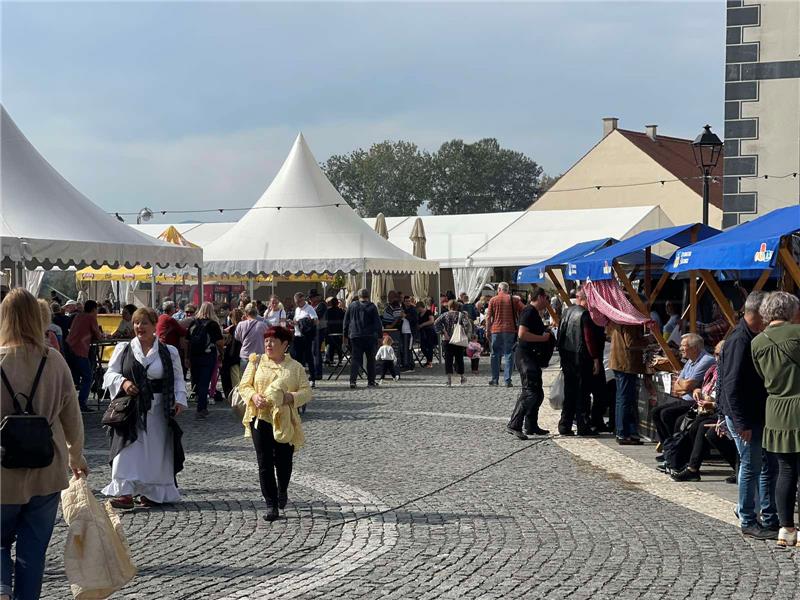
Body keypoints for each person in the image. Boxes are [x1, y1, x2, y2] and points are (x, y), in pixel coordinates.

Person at [1, 289, 89, 600]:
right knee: (33, 553)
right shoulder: (54, 361)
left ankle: (1, 586)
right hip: (46, 469)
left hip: (3, 474)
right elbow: (71, 415)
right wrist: (76, 455)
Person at [101, 307, 187, 509]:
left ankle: (152, 493)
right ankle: (125, 493)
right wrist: (123, 382)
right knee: (129, 449)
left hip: (159, 407)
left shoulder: (168, 351)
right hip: (132, 408)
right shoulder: (124, 349)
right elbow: (109, 374)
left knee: (156, 451)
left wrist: (179, 400)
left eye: (144, 323)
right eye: (136, 323)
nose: (139, 327)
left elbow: (178, 378)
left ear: (154, 325)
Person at [239, 326, 311, 522]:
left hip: (285, 420)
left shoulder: (295, 367)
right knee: (264, 462)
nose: (268, 345)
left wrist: (289, 397)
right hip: (260, 417)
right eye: (266, 341)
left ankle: (282, 490)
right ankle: (270, 503)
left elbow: (307, 392)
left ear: (285, 344)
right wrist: (253, 396)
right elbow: (243, 386)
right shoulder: (256, 362)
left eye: (273, 341)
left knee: (283, 460)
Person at [751, 291, 800, 547]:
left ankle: (786, 529)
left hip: (776, 409)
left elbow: (761, 376)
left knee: (786, 471)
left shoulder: (757, 342)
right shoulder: (797, 334)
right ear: (791, 310)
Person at [668, 341, 732, 481]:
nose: (715, 357)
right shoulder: (714, 370)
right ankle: (677, 459)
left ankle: (692, 468)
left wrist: (713, 403)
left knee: (702, 427)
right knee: (684, 421)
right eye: (715, 353)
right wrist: (698, 390)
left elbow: (728, 398)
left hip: (724, 412)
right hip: (708, 408)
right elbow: (683, 385)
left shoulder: (728, 371)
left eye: (718, 354)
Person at [651, 333, 716, 447]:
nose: (680, 348)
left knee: (666, 414)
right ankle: (668, 447)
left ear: (694, 348)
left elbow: (686, 385)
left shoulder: (706, 360)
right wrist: (685, 385)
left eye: (683, 346)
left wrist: (685, 385)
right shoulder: (690, 361)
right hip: (684, 398)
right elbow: (677, 386)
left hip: (695, 402)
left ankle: (673, 448)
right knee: (656, 412)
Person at [506, 286, 552, 439]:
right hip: (524, 356)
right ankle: (514, 424)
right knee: (530, 391)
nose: (548, 301)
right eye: (546, 298)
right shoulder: (528, 311)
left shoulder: (534, 313)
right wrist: (543, 338)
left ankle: (531, 425)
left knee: (538, 393)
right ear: (539, 297)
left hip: (531, 356)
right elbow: (522, 334)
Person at [556, 289, 599, 436]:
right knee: (582, 393)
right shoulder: (584, 314)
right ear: (584, 299)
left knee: (569, 393)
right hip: (581, 359)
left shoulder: (566, 312)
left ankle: (564, 425)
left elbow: (560, 335)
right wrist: (595, 359)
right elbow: (588, 339)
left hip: (567, 357)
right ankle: (583, 425)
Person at [608, 322, 648, 445]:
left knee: (623, 399)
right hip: (626, 364)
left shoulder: (616, 319)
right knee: (625, 399)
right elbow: (631, 343)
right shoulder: (629, 322)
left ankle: (627, 432)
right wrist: (646, 341)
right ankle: (623, 433)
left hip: (620, 362)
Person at [65, 299, 103, 412]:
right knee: (88, 376)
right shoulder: (91, 318)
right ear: (94, 309)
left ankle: (69, 404)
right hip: (80, 350)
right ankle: (81, 403)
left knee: (72, 378)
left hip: (69, 348)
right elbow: (98, 336)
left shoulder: (78, 316)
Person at [187, 302, 224, 419]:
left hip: (194, 356)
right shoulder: (213, 325)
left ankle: (199, 402)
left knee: (197, 381)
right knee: (204, 382)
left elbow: (187, 341)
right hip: (208, 356)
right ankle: (201, 408)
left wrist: (186, 357)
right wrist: (222, 353)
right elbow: (219, 342)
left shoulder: (193, 323)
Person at [342, 288, 383, 389]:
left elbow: (346, 322)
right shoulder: (372, 306)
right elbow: (378, 323)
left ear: (359, 296)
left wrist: (345, 336)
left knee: (355, 359)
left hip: (355, 335)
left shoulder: (352, 306)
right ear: (368, 296)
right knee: (371, 360)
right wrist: (380, 336)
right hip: (370, 336)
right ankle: (371, 381)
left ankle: (353, 381)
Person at [486, 282, 525, 387]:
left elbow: (488, 317)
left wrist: (487, 331)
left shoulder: (493, 300)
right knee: (509, 354)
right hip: (510, 330)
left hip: (495, 330)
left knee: (494, 354)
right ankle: (507, 380)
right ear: (507, 290)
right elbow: (525, 310)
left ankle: (495, 380)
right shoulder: (514, 300)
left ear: (499, 289)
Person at [434, 299, 472, 386]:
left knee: (448, 359)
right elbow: (467, 325)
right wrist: (465, 333)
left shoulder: (444, 315)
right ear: (457, 307)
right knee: (459, 359)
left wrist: (443, 332)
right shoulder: (461, 315)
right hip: (458, 340)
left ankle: (449, 380)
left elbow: (436, 323)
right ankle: (461, 377)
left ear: (449, 306)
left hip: (447, 340)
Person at [290, 292, 318, 388]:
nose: (297, 304)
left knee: (308, 356)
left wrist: (303, 322)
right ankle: (299, 379)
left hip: (306, 336)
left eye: (298, 301)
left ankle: (312, 378)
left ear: (302, 299)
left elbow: (315, 320)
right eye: (296, 302)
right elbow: (296, 321)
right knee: (297, 358)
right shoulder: (297, 309)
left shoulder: (309, 308)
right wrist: (293, 323)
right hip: (297, 335)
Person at [235, 303, 269, 373]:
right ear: (256, 313)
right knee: (258, 381)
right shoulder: (263, 325)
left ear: (246, 313)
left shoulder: (241, 324)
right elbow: (267, 339)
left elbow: (237, 337)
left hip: (245, 355)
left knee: (245, 380)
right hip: (259, 356)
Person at [308, 290, 327, 381]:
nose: (310, 299)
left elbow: (316, 316)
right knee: (312, 352)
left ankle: (318, 373)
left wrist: (307, 318)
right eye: (310, 298)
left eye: (312, 297)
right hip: (311, 331)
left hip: (319, 330)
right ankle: (314, 372)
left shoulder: (321, 305)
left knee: (316, 351)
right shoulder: (310, 306)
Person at [324, 297, 345, 366]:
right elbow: (344, 321)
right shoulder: (341, 311)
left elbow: (326, 321)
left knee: (331, 346)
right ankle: (339, 360)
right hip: (339, 331)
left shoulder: (328, 311)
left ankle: (331, 360)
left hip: (330, 331)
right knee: (339, 346)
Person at [400, 295, 418, 370]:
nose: (407, 303)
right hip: (403, 331)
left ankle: (408, 365)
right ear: (404, 302)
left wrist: (405, 316)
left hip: (409, 332)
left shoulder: (413, 309)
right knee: (404, 348)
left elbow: (415, 320)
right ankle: (407, 363)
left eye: (409, 301)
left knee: (408, 348)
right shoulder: (402, 309)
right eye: (406, 301)